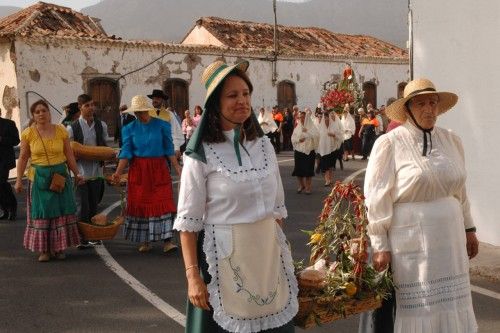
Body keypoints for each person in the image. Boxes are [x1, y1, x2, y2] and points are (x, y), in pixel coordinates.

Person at [174, 60, 298, 333]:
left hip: (266, 262)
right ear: (215, 104)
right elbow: (188, 223)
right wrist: (193, 277)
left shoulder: (264, 145)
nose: (242, 101)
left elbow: (277, 211)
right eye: (232, 95)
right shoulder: (201, 154)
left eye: (246, 93)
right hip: (224, 260)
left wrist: (278, 256)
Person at [364, 78, 479, 333]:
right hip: (412, 243)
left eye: (433, 103)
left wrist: (469, 228)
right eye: (421, 104)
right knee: (420, 306)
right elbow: (376, 197)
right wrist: (380, 245)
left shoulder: (451, 140)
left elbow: (460, 190)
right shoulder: (390, 143)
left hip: (450, 243)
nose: (429, 110)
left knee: (451, 305)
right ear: (407, 110)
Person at [15, 100, 83, 262]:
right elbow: (23, 157)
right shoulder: (28, 133)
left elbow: (69, 155)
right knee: (43, 212)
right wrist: (18, 180)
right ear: (33, 115)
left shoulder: (61, 131)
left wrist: (77, 173)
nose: (41, 114)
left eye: (43, 110)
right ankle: (44, 250)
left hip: (60, 176)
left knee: (61, 211)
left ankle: (59, 248)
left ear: (49, 113)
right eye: (37, 112)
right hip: (39, 177)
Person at [112, 95, 181, 253]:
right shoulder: (129, 129)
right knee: (141, 204)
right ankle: (145, 241)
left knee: (163, 202)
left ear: (148, 110)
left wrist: (177, 167)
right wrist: (117, 173)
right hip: (139, 170)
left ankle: (167, 241)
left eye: (142, 111)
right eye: (137, 112)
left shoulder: (162, 125)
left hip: (158, 168)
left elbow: (168, 149)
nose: (140, 115)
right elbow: (126, 152)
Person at [67, 94, 109, 246]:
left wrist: (104, 161)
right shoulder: (71, 127)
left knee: (93, 205)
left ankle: (93, 235)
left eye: (92, 105)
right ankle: (80, 238)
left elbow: (104, 145)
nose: (91, 108)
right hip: (80, 172)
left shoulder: (101, 125)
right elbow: (69, 150)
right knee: (81, 206)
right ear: (80, 107)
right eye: (87, 105)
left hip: (96, 172)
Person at [148, 89, 184, 159]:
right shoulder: (147, 113)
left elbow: (174, 131)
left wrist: (177, 148)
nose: (154, 100)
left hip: (165, 150)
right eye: (153, 98)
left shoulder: (169, 114)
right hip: (149, 150)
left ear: (162, 100)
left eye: (157, 98)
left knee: (166, 169)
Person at [291, 108, 319, 194]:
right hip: (299, 151)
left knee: (308, 171)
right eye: (300, 117)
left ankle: (308, 187)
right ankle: (301, 185)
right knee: (298, 170)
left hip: (309, 151)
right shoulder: (297, 127)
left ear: (306, 118)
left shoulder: (312, 127)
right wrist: (299, 140)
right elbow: (293, 138)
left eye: (303, 117)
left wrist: (308, 132)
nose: (301, 119)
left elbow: (317, 136)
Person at [0, 107, 20, 220]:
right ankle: (4, 209)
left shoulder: (8, 124)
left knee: (1, 183)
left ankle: (12, 207)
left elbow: (16, 140)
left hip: (4, 160)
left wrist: (2, 139)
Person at [317, 110, 342, 186]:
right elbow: (317, 138)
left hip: (332, 149)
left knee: (330, 166)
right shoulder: (320, 127)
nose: (325, 119)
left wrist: (333, 135)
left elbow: (340, 137)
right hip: (323, 150)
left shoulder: (334, 126)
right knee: (325, 166)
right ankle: (327, 180)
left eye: (326, 117)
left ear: (329, 118)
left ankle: (330, 179)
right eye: (324, 117)